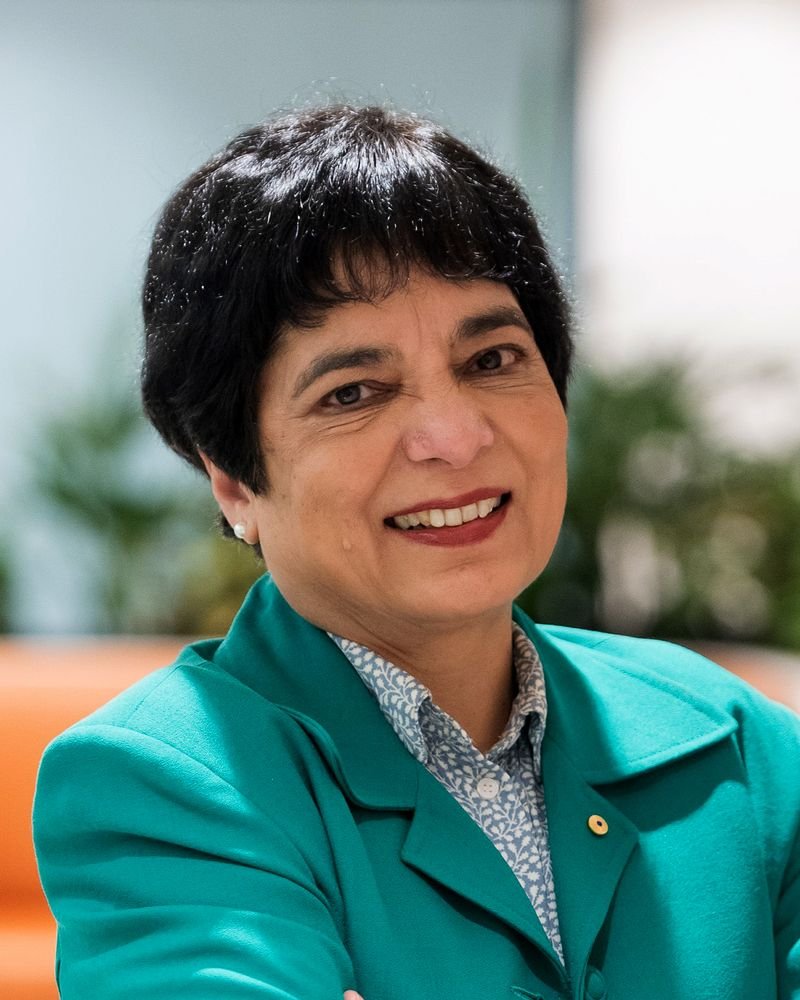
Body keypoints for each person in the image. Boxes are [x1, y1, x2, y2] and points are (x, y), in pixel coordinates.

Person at [33, 105, 799, 1000]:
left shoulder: (729, 739)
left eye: (492, 360)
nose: (455, 437)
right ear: (234, 480)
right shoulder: (162, 785)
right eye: (354, 392)